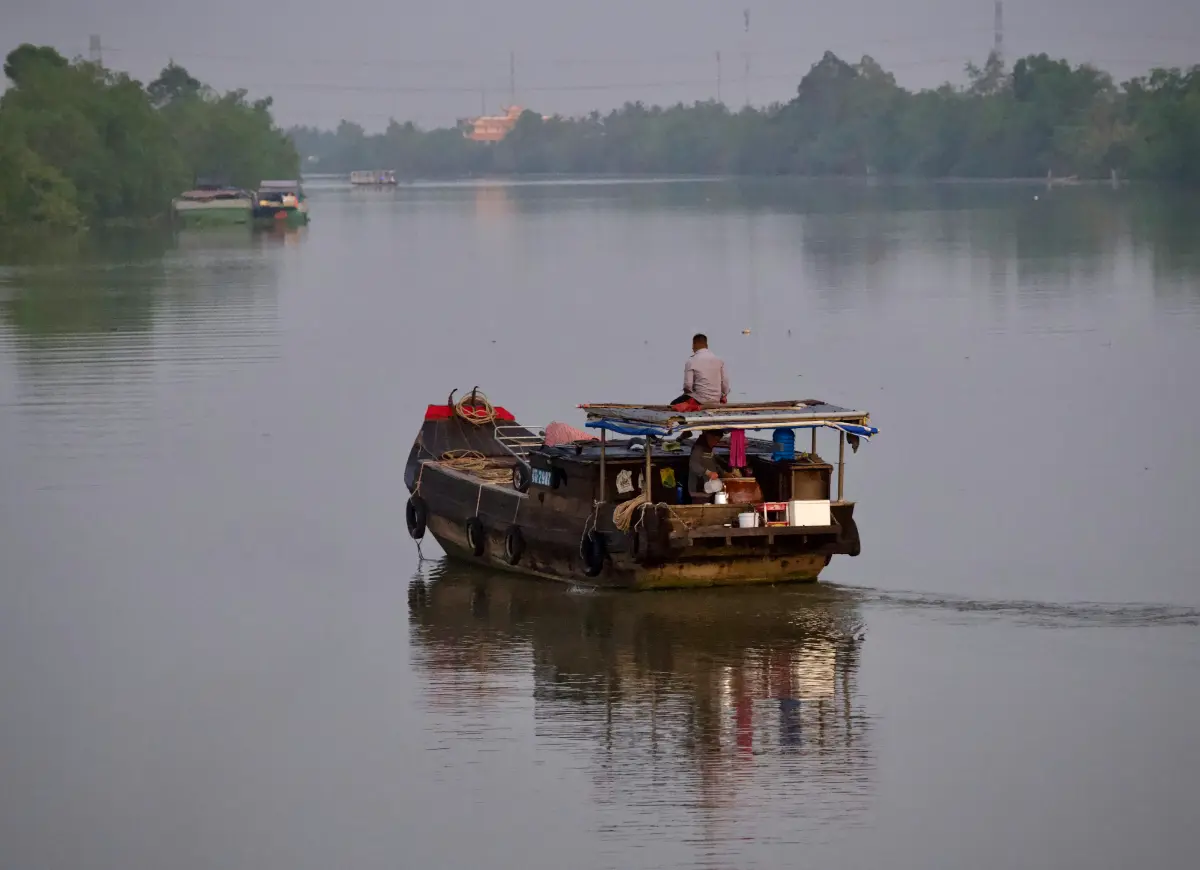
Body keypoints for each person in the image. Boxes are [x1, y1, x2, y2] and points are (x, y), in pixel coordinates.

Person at [672, 333, 729, 407]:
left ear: (694, 344)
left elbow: (688, 386)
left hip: (699, 400)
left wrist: (687, 393)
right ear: (706, 345)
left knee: (673, 404)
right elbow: (725, 384)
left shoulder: (691, 361)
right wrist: (722, 395)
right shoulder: (719, 360)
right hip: (716, 400)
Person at [688, 430, 728, 498]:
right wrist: (708, 473)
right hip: (699, 491)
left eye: (718, 441)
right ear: (709, 436)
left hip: (709, 489)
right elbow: (694, 464)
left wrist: (724, 473)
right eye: (716, 440)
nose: (716, 443)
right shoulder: (698, 448)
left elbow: (713, 463)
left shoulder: (708, 449)